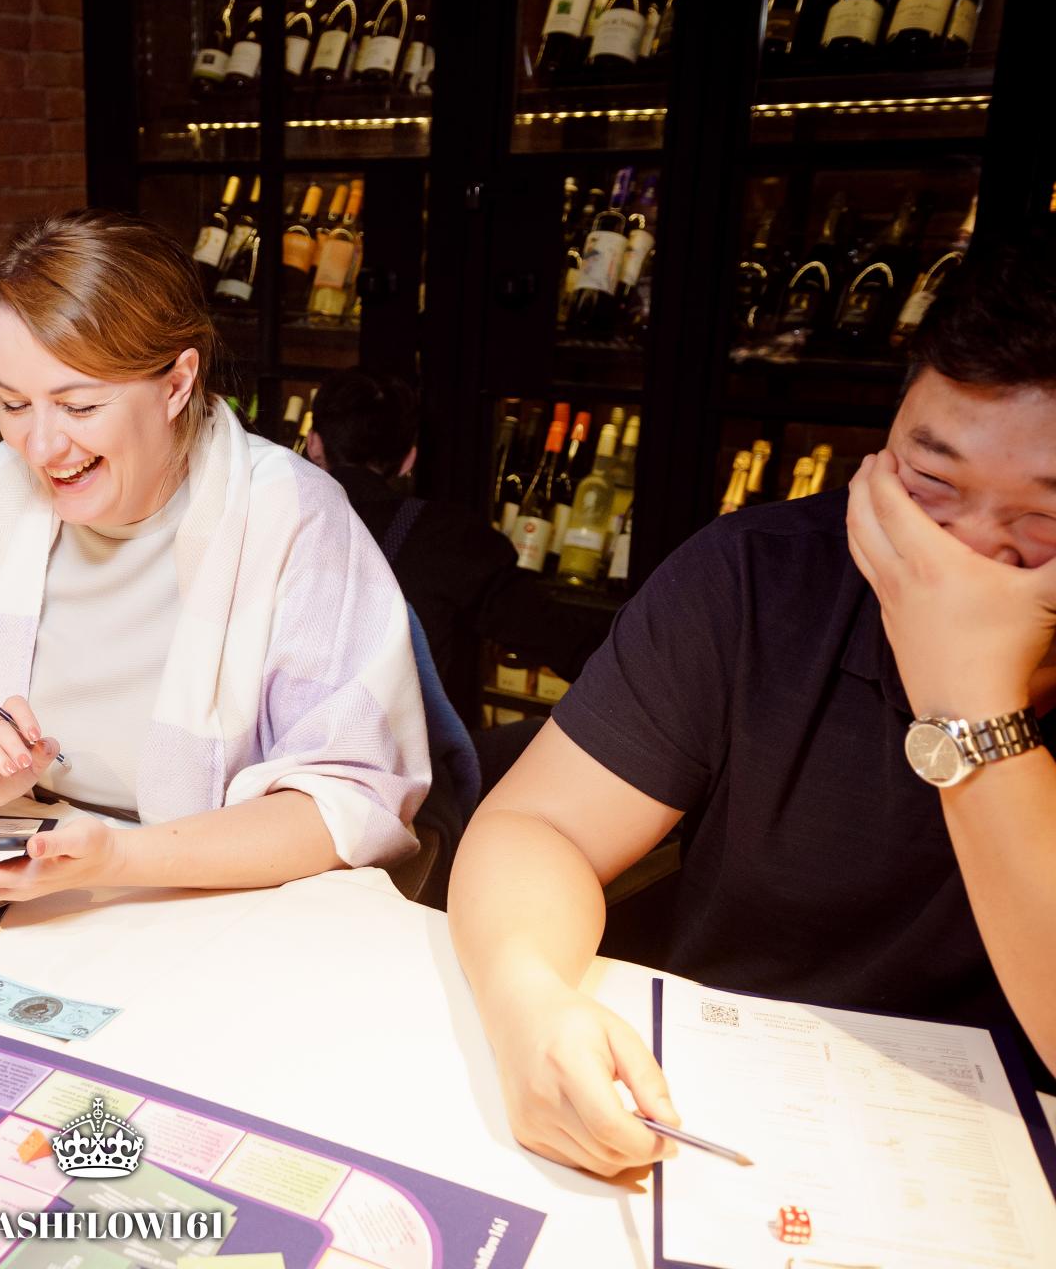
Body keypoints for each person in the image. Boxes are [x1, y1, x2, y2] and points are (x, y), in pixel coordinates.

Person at [448, 233, 1056, 1178]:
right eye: (931, 484)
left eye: (1043, 519)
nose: (961, 554)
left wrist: (971, 704)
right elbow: (541, 825)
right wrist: (527, 998)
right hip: (719, 1121)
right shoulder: (758, 578)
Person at [0, 210, 433, 904]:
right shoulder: (3, 490)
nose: (41, 447)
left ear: (177, 384)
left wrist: (116, 860)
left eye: (79, 406)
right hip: (36, 870)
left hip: (207, 900)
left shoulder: (292, 517)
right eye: (13, 403)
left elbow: (349, 802)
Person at [304, 370, 614, 730]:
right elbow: (562, 642)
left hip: (277, 751)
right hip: (405, 757)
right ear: (409, 460)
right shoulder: (450, 536)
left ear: (314, 444)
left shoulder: (272, 514)